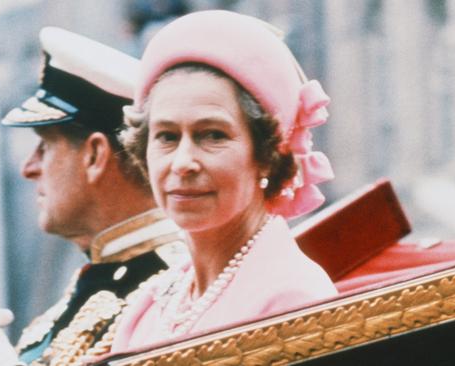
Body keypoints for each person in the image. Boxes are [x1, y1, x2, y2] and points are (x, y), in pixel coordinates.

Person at [0, 27, 186, 366]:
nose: (28, 168)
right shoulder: (83, 294)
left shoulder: (176, 292)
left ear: (94, 155)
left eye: (44, 147)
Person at [98, 10, 339, 353]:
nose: (183, 163)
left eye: (212, 135)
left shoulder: (292, 301)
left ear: (268, 153)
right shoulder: (151, 304)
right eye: (166, 137)